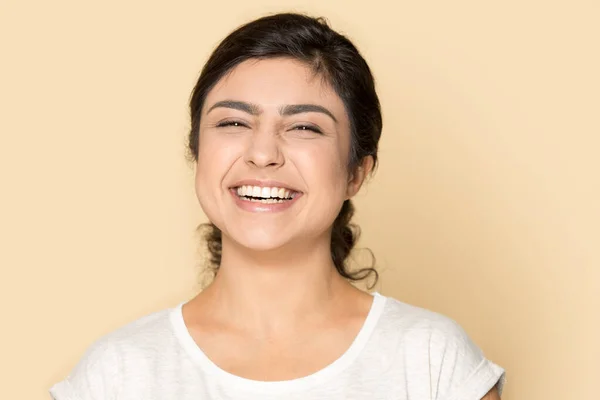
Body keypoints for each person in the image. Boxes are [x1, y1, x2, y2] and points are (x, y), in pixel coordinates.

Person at [50, 12, 505, 400]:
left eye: (304, 128)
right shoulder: (116, 374)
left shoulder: (433, 362)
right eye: (232, 121)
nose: (263, 153)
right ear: (196, 153)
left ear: (356, 172)